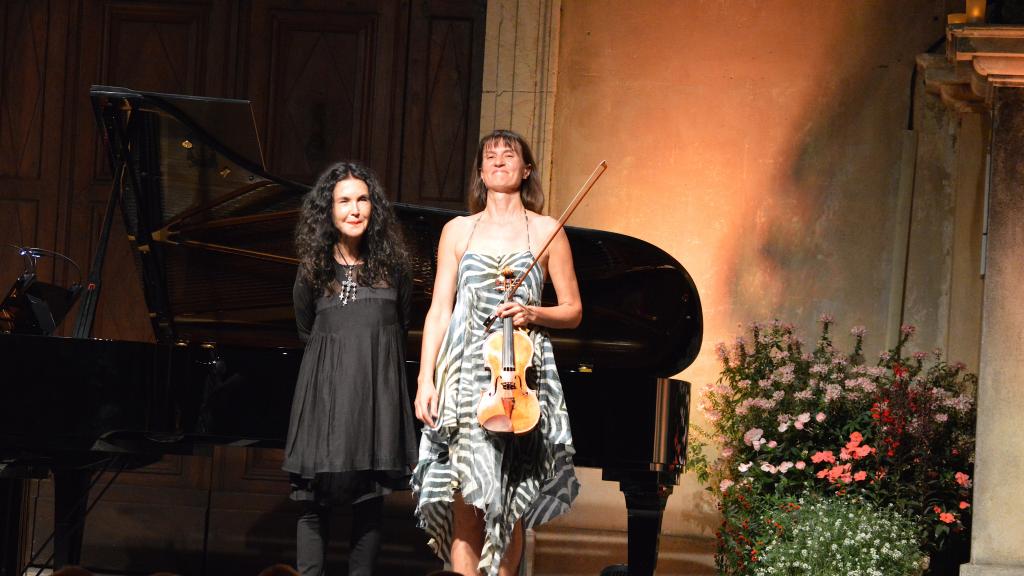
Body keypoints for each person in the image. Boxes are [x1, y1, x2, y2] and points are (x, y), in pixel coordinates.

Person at [412, 130, 581, 576]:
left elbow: (573, 310)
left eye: (510, 155)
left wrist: (534, 312)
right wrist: (425, 379)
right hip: (466, 372)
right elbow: (439, 311)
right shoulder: (457, 230)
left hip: (521, 373)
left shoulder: (547, 231)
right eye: (491, 156)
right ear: (481, 172)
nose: (500, 160)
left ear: (526, 170)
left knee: (511, 496)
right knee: (466, 491)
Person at [282, 161, 418, 576]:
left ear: (374, 208)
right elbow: (307, 329)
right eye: (344, 201)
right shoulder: (313, 271)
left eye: (362, 200)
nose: (354, 209)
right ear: (329, 210)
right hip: (324, 397)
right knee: (312, 503)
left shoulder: (396, 270)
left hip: (376, 398)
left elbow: (402, 327)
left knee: (370, 503)